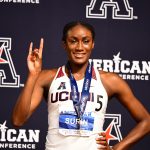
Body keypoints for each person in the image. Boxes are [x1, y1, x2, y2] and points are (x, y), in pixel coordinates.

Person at [12, 21, 150, 150]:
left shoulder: (109, 80)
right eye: (73, 41)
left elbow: (146, 121)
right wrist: (33, 75)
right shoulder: (46, 78)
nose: (79, 47)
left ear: (92, 44)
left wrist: (116, 148)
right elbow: (18, 120)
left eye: (85, 41)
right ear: (64, 44)